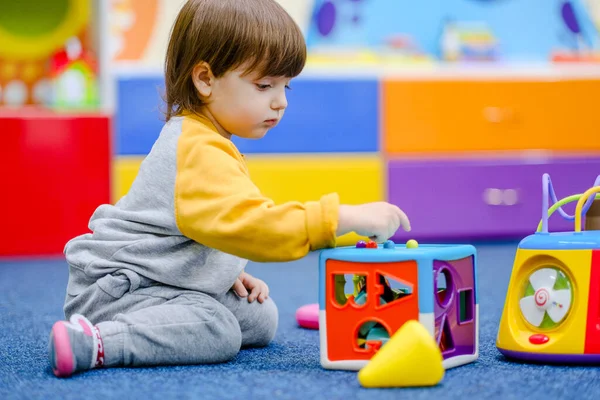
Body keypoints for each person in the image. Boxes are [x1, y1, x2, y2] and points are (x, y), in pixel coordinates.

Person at [48, 0, 411, 378]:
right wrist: (341, 217)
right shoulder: (197, 147)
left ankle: (159, 320)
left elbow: (200, 226)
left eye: (286, 86)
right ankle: (96, 341)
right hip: (117, 289)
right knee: (217, 329)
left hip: (158, 275)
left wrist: (217, 270)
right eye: (265, 85)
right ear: (205, 79)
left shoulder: (206, 138)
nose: (280, 101)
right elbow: (251, 224)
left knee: (259, 318)